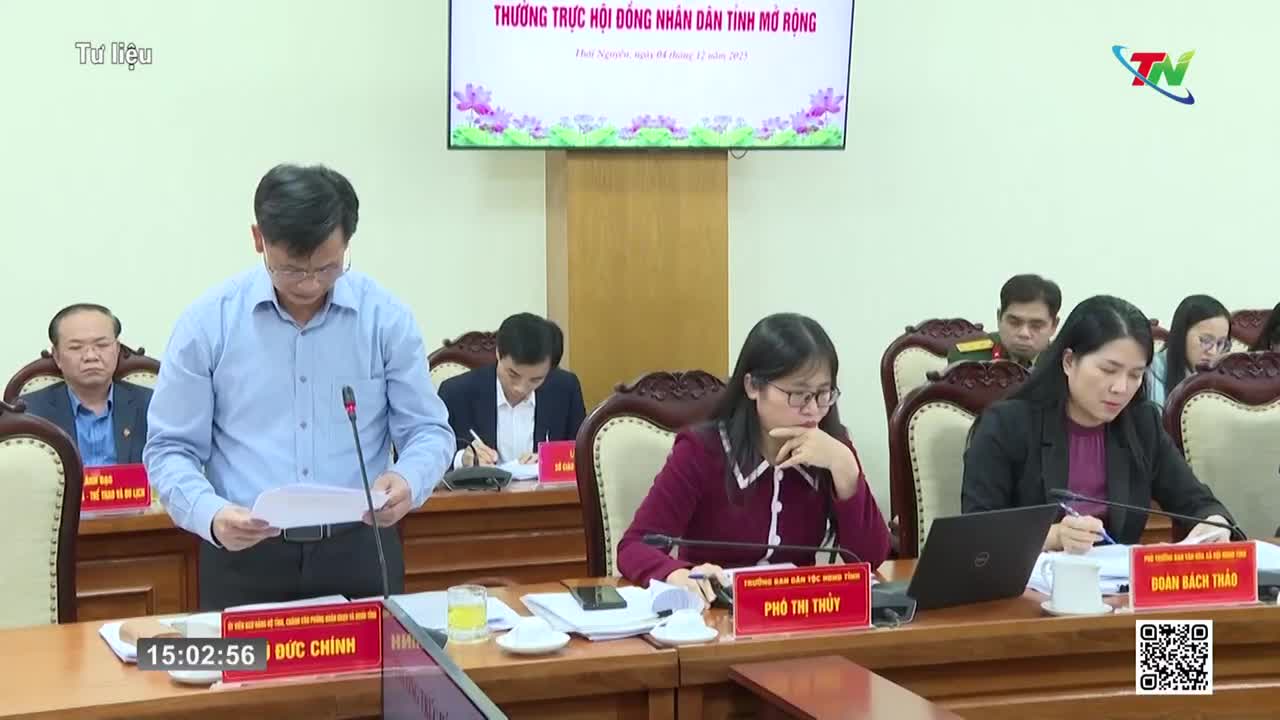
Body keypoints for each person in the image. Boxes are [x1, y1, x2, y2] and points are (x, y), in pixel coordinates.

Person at [144, 164, 455, 609]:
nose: (310, 284)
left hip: (360, 550)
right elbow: (169, 448)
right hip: (244, 554)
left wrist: (408, 479)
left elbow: (429, 431)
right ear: (258, 240)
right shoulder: (207, 324)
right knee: (249, 678)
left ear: (348, 242)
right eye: (291, 270)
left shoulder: (386, 319)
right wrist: (210, 515)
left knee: (367, 680)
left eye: (328, 268)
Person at [616, 313, 892, 603]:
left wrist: (846, 469)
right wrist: (677, 573)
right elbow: (634, 546)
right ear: (752, 386)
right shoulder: (701, 451)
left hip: (798, 616)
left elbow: (869, 559)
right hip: (717, 619)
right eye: (798, 394)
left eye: (823, 394)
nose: (813, 410)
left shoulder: (831, 450)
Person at [962, 295, 1235, 554]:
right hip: (1026, 590)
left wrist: (1213, 525)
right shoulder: (1007, 425)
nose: (1121, 388)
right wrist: (1053, 537)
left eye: (1135, 375)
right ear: (1069, 361)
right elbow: (976, 533)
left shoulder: (1143, 425)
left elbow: (1197, 501)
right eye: (1108, 370)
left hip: (1118, 592)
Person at [438, 313, 585, 468]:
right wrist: (463, 459)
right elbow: (431, 459)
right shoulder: (456, 393)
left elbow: (581, 453)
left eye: (536, 380)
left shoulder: (565, 389)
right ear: (498, 353)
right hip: (479, 491)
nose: (521, 388)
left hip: (543, 491)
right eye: (513, 374)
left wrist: (549, 460)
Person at [20, 304, 151, 466]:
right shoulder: (29, 413)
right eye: (76, 347)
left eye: (102, 345)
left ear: (117, 349)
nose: (91, 356)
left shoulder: (153, 406)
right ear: (57, 356)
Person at [948, 274, 1061, 368]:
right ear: (999, 317)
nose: (1024, 333)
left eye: (1036, 326)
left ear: (1054, 326)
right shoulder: (969, 357)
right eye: (1014, 323)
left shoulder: (1066, 364)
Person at [1146, 295, 1231, 408]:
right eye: (1205, 341)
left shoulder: (1225, 377)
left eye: (1221, 343)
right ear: (1182, 335)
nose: (1213, 352)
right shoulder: (1149, 372)